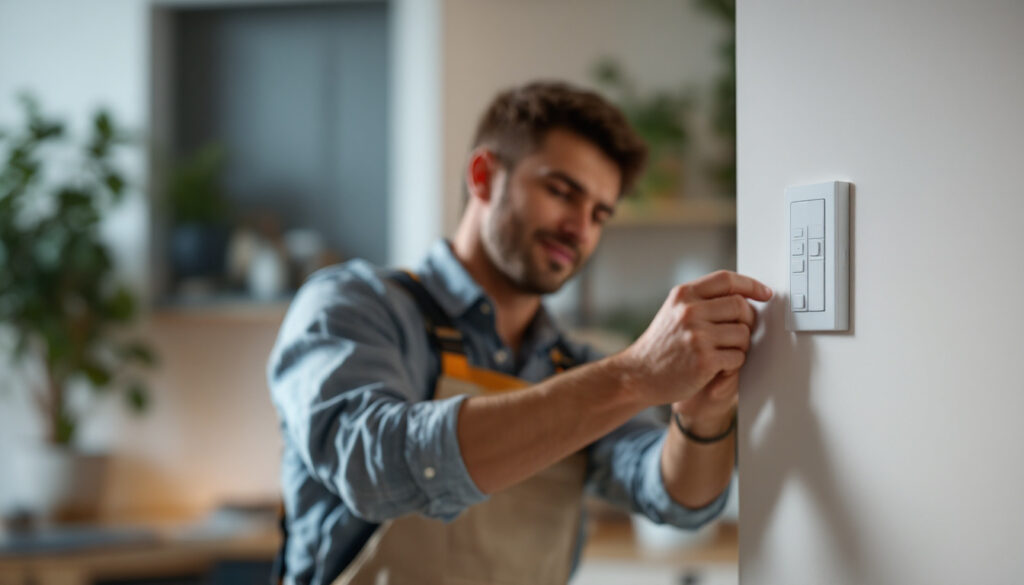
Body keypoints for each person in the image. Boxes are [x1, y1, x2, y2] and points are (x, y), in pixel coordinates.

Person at [267, 80, 772, 585]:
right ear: (484, 176)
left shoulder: (572, 366)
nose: (580, 228)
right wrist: (634, 376)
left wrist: (703, 415)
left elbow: (678, 501)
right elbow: (377, 469)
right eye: (561, 192)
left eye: (599, 213)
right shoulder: (354, 306)